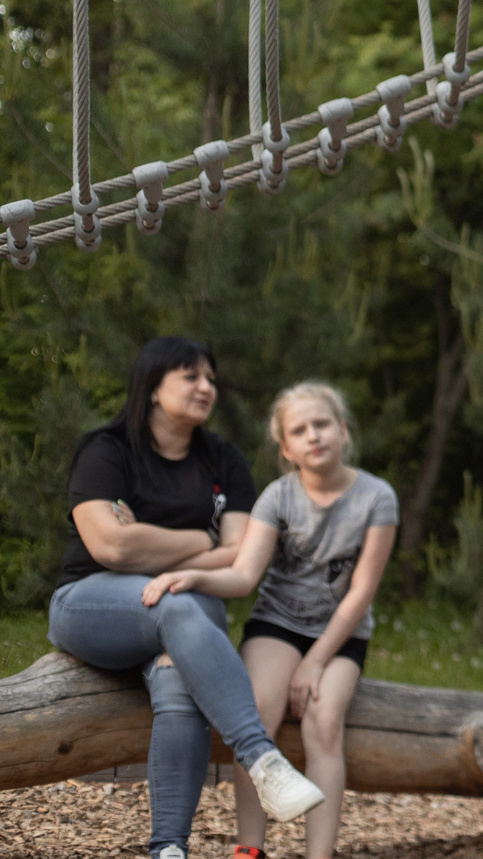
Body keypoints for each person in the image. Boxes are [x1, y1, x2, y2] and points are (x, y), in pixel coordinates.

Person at [48, 339, 328, 859]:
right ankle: (261, 759)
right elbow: (109, 545)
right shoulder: (105, 450)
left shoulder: (222, 458)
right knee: (176, 601)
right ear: (153, 388)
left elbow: (243, 552)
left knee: (179, 675)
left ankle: (169, 849)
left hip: (183, 618)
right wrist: (202, 541)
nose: (207, 388)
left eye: (212, 380)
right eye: (190, 377)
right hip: (90, 604)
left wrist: (148, 544)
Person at [143, 381, 398, 859]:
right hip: (277, 624)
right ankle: (250, 849)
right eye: (299, 431)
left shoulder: (376, 497)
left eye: (322, 424)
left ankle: (319, 854)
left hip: (340, 634)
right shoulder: (278, 498)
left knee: (323, 722)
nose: (313, 436)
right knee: (257, 712)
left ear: (343, 431)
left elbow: (361, 592)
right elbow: (243, 574)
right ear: (286, 448)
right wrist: (191, 577)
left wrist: (315, 663)